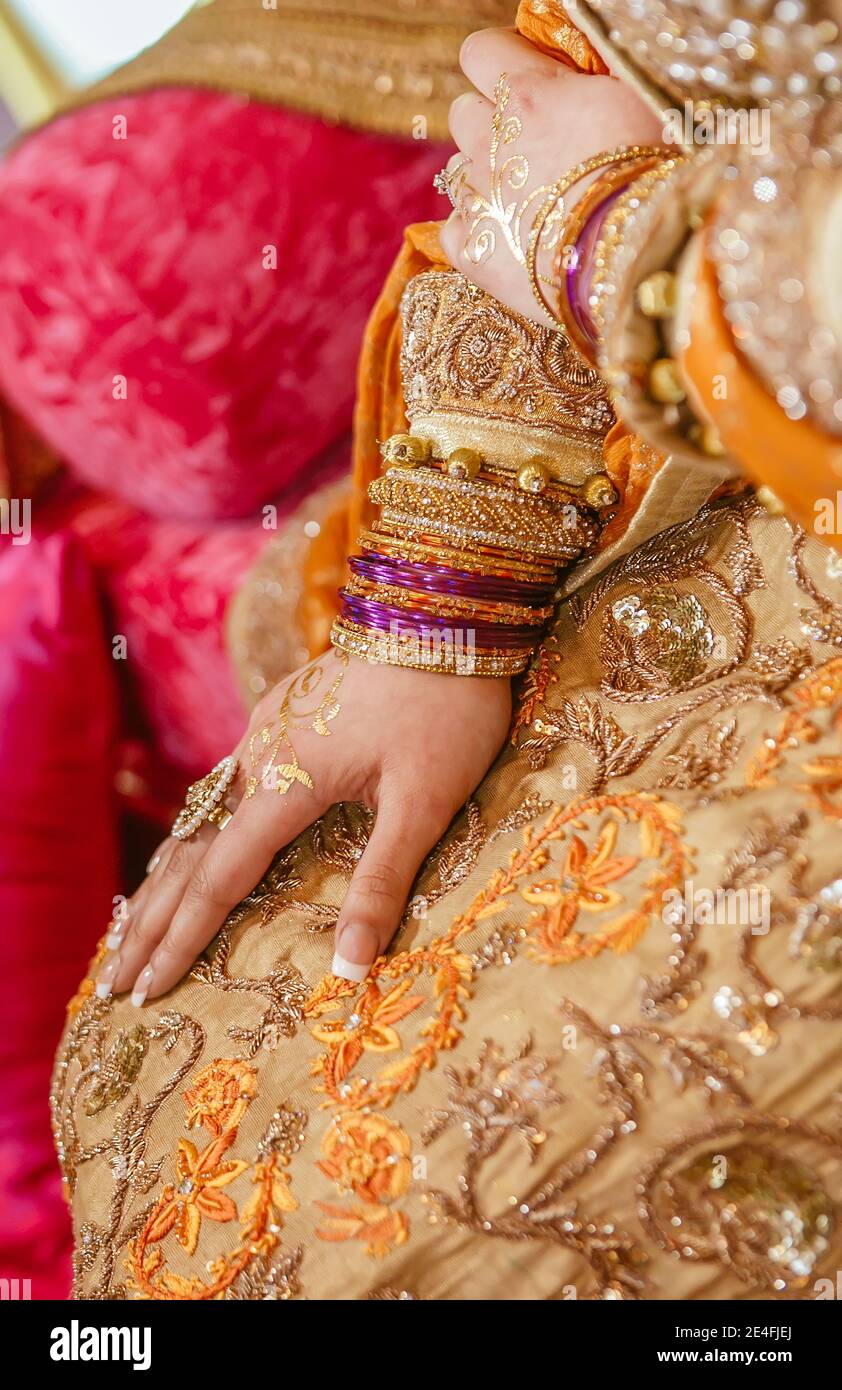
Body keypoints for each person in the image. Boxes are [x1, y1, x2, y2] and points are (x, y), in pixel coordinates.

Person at [55, 2, 842, 1300]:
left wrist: (605, 238)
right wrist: (435, 603)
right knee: (199, 1032)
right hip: (716, 449)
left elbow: (588, 201)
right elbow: (549, 104)